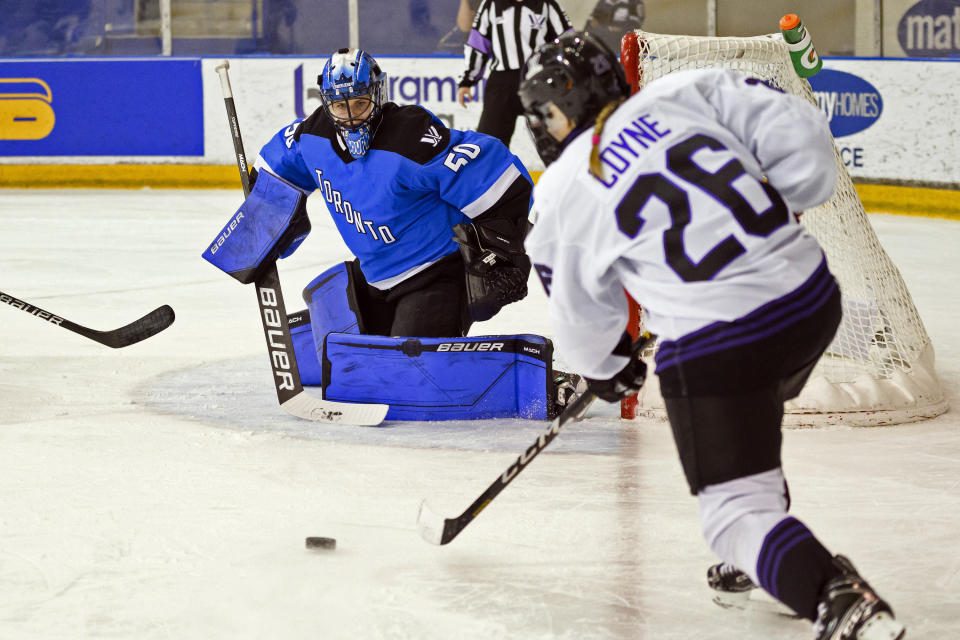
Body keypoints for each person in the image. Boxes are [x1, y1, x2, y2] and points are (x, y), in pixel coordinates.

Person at [518, 31, 905, 640]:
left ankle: (835, 597)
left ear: (555, 113)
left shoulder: (564, 188)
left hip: (722, 344)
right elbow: (803, 137)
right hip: (809, 299)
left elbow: (578, 310)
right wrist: (785, 200)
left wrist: (608, 363)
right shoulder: (686, 90)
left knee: (731, 514)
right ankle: (770, 553)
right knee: (752, 406)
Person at [210, 47, 581, 421]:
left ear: (378, 94)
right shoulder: (314, 137)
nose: (351, 117)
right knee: (333, 362)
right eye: (339, 106)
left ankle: (544, 382)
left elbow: (496, 172)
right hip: (374, 277)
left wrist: (503, 253)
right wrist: (262, 208)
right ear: (326, 104)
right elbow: (277, 163)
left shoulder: (411, 136)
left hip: (436, 275)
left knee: (408, 381)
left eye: (360, 102)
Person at [457, 0, 572, 148]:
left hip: (539, 82)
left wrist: (569, 74)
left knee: (556, 140)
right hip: (501, 84)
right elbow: (478, 43)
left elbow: (566, 41)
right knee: (490, 144)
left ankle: (566, 169)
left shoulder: (547, 4)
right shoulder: (491, 4)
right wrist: (467, 80)